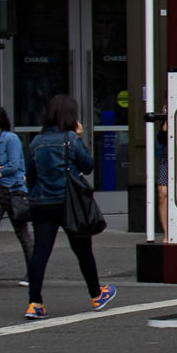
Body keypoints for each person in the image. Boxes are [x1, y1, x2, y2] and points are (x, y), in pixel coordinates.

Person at [22, 95, 113, 319]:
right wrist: (80, 138)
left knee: (40, 254)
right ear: (70, 116)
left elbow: (31, 177)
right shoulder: (71, 139)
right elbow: (88, 166)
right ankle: (96, 294)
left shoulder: (36, 141)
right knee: (83, 251)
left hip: (42, 203)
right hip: (69, 203)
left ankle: (35, 303)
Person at [0, 107, 31, 288]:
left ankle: (34, 272)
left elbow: (15, 164)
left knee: (22, 233)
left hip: (13, 190)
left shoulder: (11, 139)